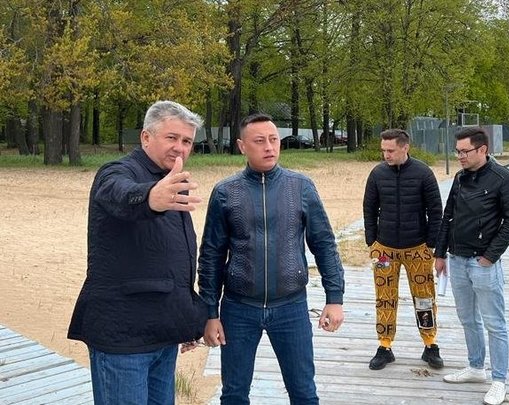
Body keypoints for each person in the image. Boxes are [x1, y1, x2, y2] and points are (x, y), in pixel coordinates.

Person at [198, 113, 345, 405]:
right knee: (234, 394)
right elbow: (211, 254)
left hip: (291, 306)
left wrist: (335, 298)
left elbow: (324, 244)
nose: (269, 147)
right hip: (238, 309)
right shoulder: (226, 192)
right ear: (242, 146)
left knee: (303, 392)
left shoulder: (301, 187)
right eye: (259, 141)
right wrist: (210, 313)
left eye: (273, 139)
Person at [68, 100, 208, 404]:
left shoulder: (171, 180)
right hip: (124, 338)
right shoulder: (118, 172)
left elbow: (173, 258)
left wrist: (187, 318)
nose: (180, 148)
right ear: (146, 137)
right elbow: (117, 193)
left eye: (187, 141)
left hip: (162, 333)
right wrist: (149, 198)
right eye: (171, 137)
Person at [434, 127, 509, 405]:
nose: (460, 156)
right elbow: (448, 215)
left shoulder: (502, 178)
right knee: (467, 318)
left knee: (495, 323)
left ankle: (499, 381)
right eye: (457, 151)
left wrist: (490, 256)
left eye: (465, 151)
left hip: (483, 262)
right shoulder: (460, 177)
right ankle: (475, 367)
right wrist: (440, 253)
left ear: (482, 150)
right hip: (456, 259)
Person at [363, 128, 444, 370]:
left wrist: (431, 244)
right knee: (384, 298)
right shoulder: (377, 174)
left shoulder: (423, 173)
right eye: (383, 150)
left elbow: (435, 211)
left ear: (405, 147)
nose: (386, 155)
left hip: (417, 248)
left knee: (424, 298)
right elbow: (369, 209)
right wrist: (372, 242)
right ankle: (384, 346)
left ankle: (430, 344)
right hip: (384, 250)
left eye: (391, 150)